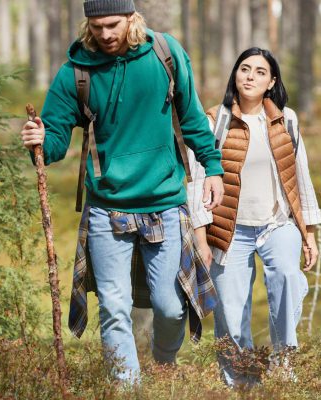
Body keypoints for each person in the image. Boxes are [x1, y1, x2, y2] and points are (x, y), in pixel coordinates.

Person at [20, 0, 224, 384]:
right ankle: (126, 389)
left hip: (164, 202)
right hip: (106, 209)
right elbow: (54, 143)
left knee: (170, 307)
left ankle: (164, 367)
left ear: (132, 17)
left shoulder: (166, 54)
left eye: (112, 24)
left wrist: (212, 167)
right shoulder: (76, 72)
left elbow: (193, 118)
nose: (105, 34)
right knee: (114, 308)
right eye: (96, 26)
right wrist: (40, 140)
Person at [188, 47, 321, 387]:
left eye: (260, 72)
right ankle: (243, 384)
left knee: (288, 280)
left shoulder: (285, 120)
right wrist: (201, 239)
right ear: (235, 75)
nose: (250, 76)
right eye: (244, 69)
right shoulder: (212, 121)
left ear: (271, 81)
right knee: (231, 312)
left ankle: (283, 367)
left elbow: (299, 176)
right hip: (229, 230)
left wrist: (307, 233)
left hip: (278, 224)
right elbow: (196, 182)